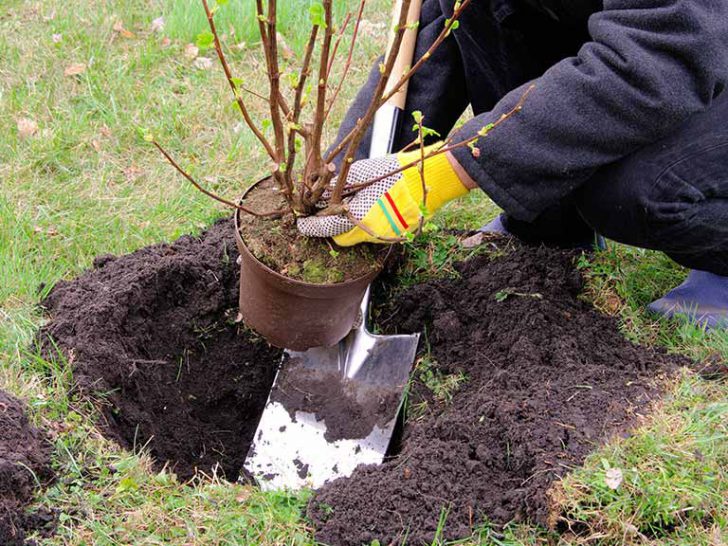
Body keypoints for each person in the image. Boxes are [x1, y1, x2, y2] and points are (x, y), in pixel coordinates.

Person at [298, 0, 728, 329]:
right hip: (664, 40)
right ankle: (549, 220)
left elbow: (665, 49)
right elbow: (442, 26)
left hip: (691, 41)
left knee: (634, 192)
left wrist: (455, 166)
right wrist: (350, 176)